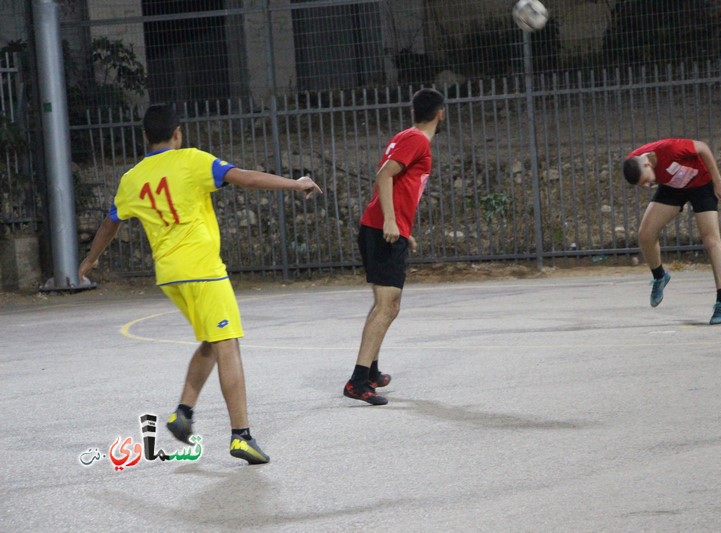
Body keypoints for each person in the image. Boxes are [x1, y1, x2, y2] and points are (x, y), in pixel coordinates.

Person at [79, 104, 322, 463]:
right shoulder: (192, 160)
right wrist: (294, 183)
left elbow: (110, 223)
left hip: (170, 274)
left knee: (212, 338)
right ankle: (241, 435)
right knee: (228, 344)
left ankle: (183, 413)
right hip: (203, 269)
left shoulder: (132, 178)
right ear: (177, 134)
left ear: (146, 137)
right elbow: (247, 178)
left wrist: (91, 259)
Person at [343, 88, 446, 405]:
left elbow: (400, 186)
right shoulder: (416, 140)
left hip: (385, 229)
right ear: (441, 113)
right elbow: (384, 175)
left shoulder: (408, 136)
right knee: (388, 306)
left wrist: (401, 227)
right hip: (381, 229)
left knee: (384, 304)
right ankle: (358, 382)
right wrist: (390, 220)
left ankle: (370, 372)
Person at [622, 138, 721, 325]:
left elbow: (703, 148)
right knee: (646, 234)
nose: (648, 186)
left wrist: (718, 181)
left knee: (711, 240)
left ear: (648, 164)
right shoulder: (633, 162)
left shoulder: (672, 149)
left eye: (647, 181)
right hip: (673, 187)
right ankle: (659, 277)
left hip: (701, 184)